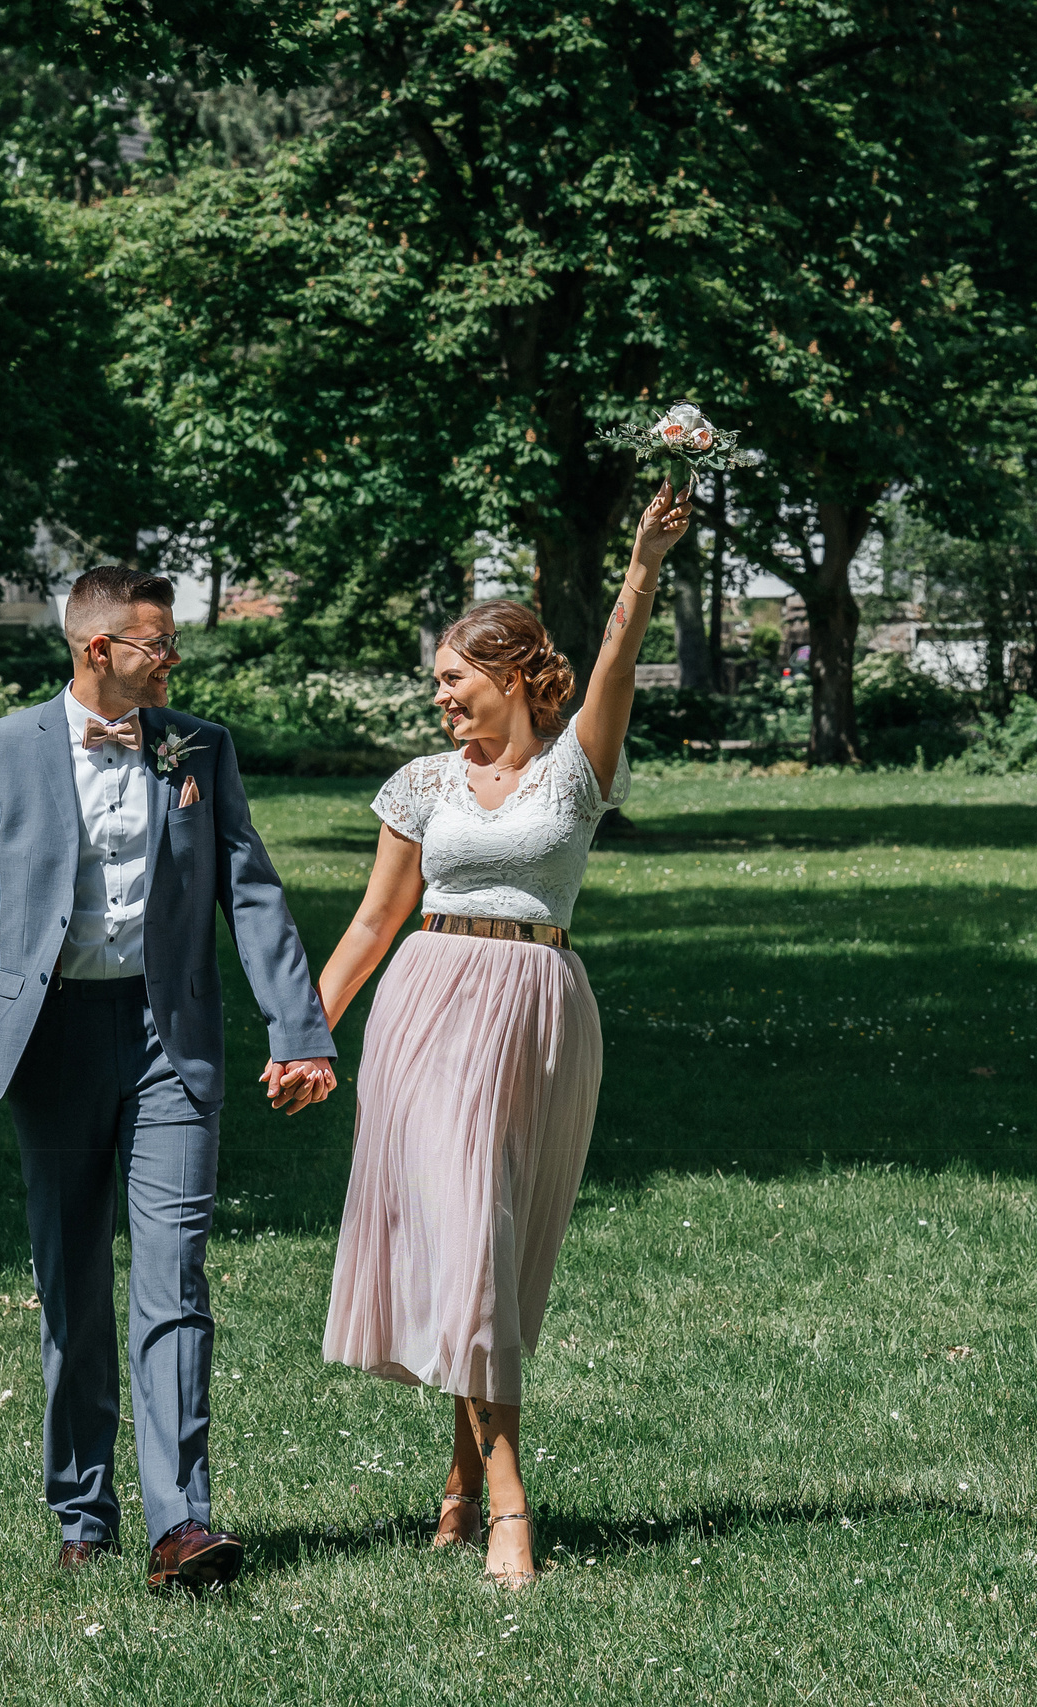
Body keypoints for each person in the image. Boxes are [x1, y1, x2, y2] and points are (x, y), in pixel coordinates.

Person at [0, 564, 339, 1593]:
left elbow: (252, 893)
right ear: (96, 648)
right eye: (158, 644)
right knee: (71, 1280)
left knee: (174, 1280)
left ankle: (182, 1524)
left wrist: (302, 1030)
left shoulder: (199, 746)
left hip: (171, 1043)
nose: (174, 661)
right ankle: (81, 1506)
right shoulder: (0, 751)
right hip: (50, 1042)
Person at [316, 477, 693, 1587]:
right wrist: (308, 1032)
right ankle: (512, 1505)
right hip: (424, 1006)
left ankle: (456, 1477)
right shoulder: (421, 783)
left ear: (514, 676)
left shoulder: (576, 771)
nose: (439, 700)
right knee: (462, 1228)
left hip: (537, 1011)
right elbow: (374, 920)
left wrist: (641, 564)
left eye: (453, 679)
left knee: (493, 1246)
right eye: (435, 683)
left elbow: (619, 658)